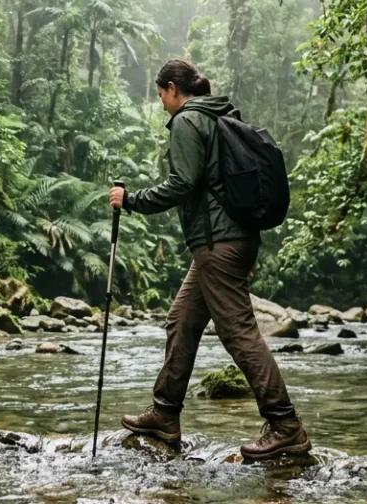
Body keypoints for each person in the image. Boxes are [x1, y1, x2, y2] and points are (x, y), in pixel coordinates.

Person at [110, 58, 310, 461]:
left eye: (161, 96)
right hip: (226, 241)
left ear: (171, 89)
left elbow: (183, 183)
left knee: (238, 333)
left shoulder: (188, 121)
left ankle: (286, 426)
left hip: (218, 243)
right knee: (182, 320)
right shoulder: (219, 117)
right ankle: (165, 414)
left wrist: (130, 200)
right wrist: (243, 246)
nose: (162, 104)